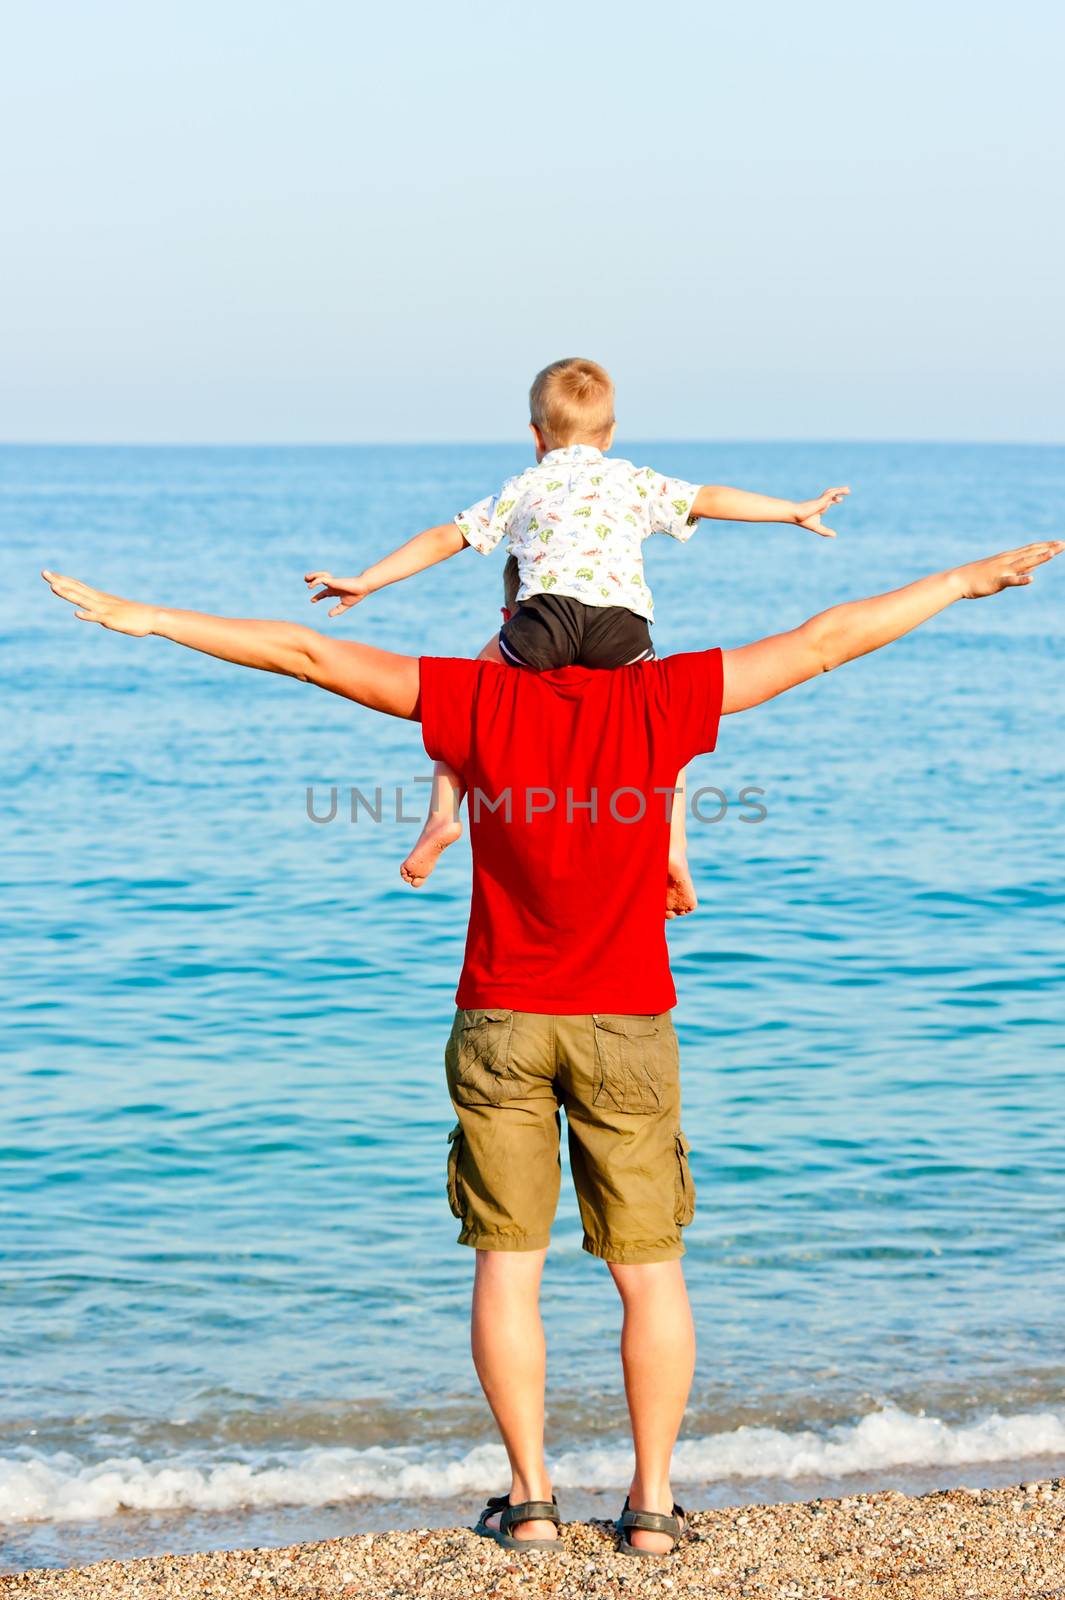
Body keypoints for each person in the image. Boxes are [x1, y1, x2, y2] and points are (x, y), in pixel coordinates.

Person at [40, 537, 1061, 1556]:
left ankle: (530, 1499)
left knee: (507, 1267)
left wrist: (157, 616)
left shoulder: (477, 701)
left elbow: (305, 654)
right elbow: (827, 640)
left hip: (501, 1020)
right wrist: (965, 582)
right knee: (648, 1270)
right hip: (627, 1019)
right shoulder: (662, 701)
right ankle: (652, 1507)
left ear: (515, 627)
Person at [303, 357, 850, 913]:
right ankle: (674, 849)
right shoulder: (632, 480)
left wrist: (367, 580)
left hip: (544, 622)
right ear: (610, 434)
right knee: (670, 728)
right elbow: (711, 498)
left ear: (536, 438)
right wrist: (793, 511)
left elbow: (448, 537)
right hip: (621, 628)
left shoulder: (525, 485)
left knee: (467, 694)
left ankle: (443, 816)